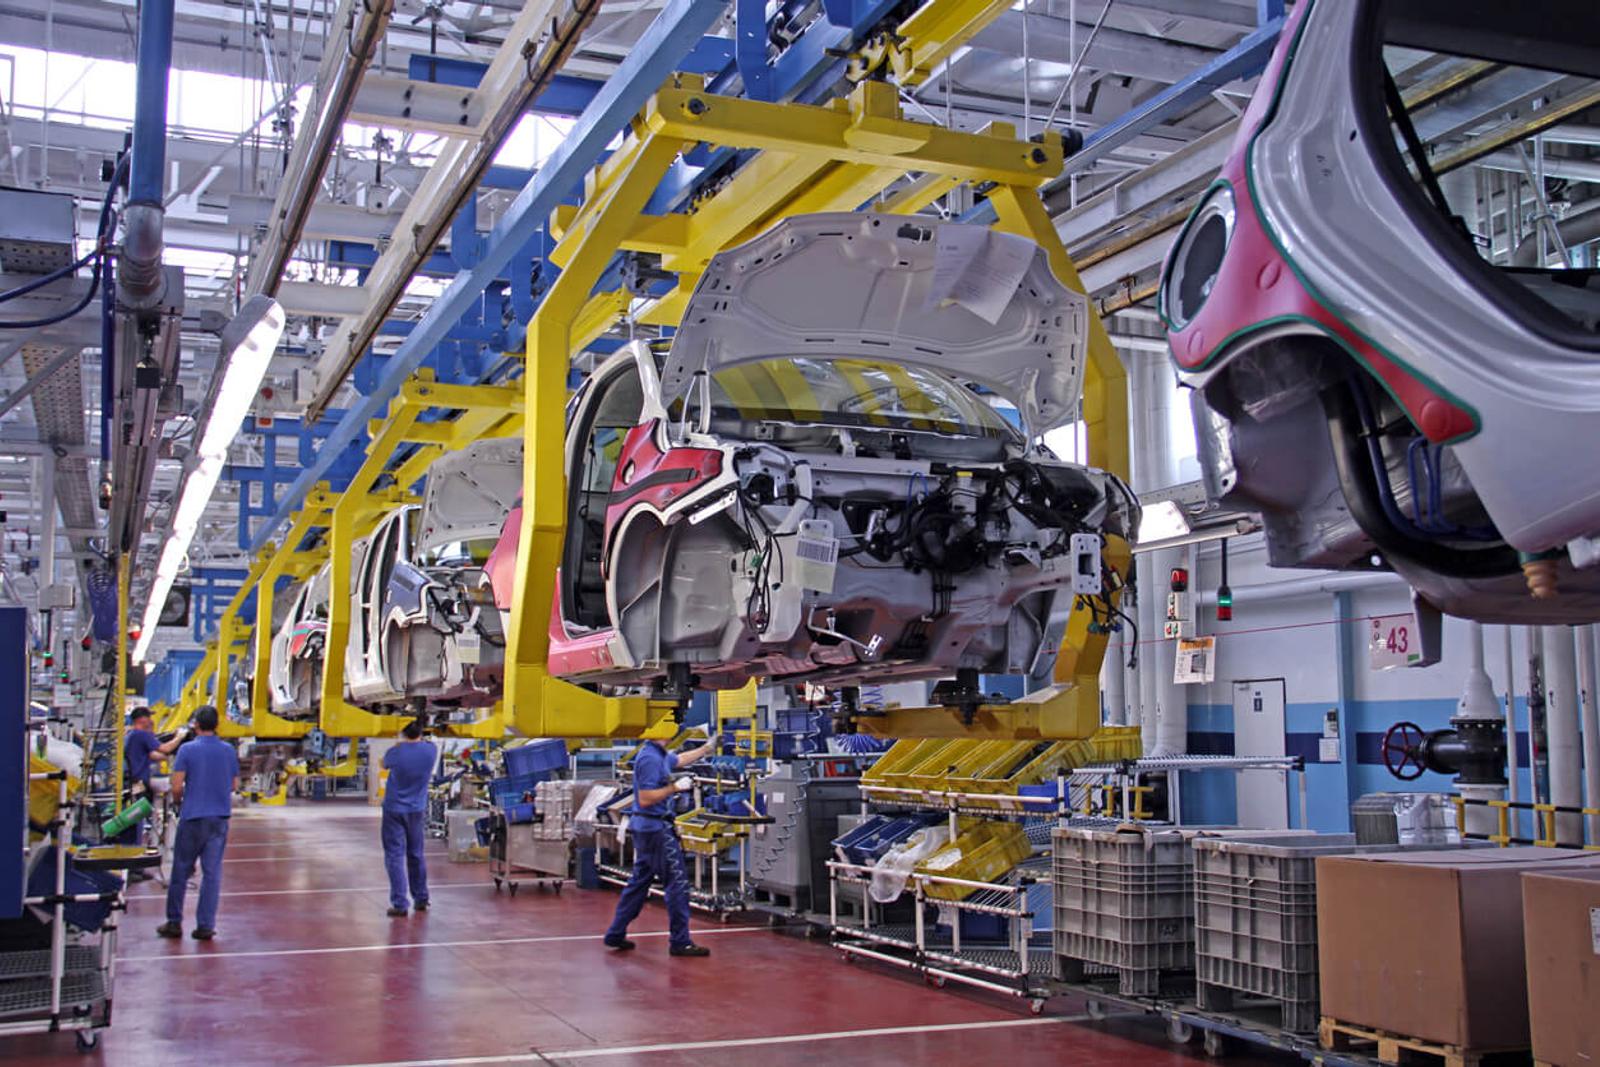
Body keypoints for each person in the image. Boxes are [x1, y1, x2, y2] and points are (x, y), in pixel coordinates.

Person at [603, 732, 718, 957]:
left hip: (647, 828)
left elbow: (679, 759)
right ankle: (680, 941)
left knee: (639, 883)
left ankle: (615, 933)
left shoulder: (658, 753)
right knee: (677, 884)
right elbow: (646, 798)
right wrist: (675, 788)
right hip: (656, 829)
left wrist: (706, 748)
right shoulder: (650, 758)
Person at [156, 706, 240, 941]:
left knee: (181, 870)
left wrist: (178, 802)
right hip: (219, 818)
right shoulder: (228, 750)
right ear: (217, 725)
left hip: (193, 817)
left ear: (196, 725)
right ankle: (205, 926)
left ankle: (174, 922)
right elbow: (234, 785)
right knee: (212, 874)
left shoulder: (187, 750)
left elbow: (176, 785)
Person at [381, 720, 438, 917]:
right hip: (416, 809)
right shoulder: (431, 750)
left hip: (394, 809)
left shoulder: (396, 752)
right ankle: (421, 898)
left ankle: (400, 904)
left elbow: (383, 763)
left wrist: (397, 743)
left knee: (395, 855)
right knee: (416, 854)